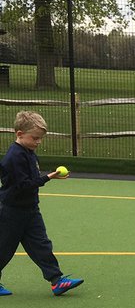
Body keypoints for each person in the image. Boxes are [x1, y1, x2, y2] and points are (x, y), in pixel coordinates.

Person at [0, 111, 82, 297]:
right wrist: (48, 177)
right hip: (11, 212)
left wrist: (46, 178)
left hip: (30, 209)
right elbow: (23, 186)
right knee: (3, 248)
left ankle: (57, 281)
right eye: (35, 138)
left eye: (40, 139)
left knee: (42, 245)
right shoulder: (13, 158)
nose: (38, 142)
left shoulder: (29, 153)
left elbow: (31, 179)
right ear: (19, 134)